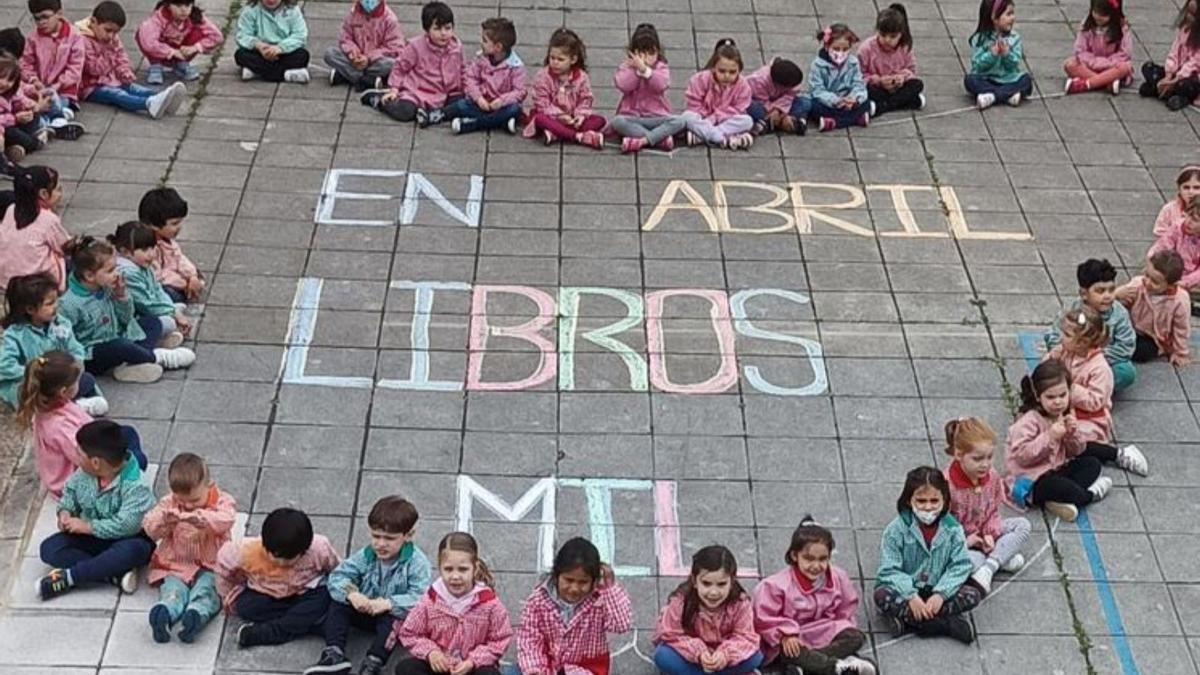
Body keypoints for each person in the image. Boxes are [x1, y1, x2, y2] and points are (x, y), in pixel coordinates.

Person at [1006, 357, 1146, 523]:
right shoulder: (1029, 421)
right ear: (1037, 396)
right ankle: (1088, 495)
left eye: (1063, 395)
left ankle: (1059, 500)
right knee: (1060, 487)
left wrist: (1073, 433)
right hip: (1031, 480)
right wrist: (1049, 436)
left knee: (1091, 464)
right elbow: (1023, 456)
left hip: (1056, 469)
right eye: (1050, 397)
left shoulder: (1063, 415)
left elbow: (1077, 451)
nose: (1058, 402)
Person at [306, 496, 432, 675]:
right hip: (365, 607)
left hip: (390, 614)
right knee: (337, 603)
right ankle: (333, 653)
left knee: (395, 622)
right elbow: (338, 575)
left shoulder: (417, 563)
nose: (380, 544)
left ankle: (374, 661)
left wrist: (389, 604)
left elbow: (421, 598)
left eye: (389, 538)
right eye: (376, 536)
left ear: (408, 536)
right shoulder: (367, 554)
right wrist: (352, 594)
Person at [36, 419, 155, 600]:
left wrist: (87, 527)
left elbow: (127, 526)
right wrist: (65, 512)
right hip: (93, 538)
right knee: (50, 549)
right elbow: (70, 492)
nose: (76, 456)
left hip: (127, 538)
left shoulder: (137, 486)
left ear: (96, 462)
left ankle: (70, 578)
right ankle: (112, 574)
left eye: (79, 453)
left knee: (133, 551)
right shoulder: (85, 473)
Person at [57, 236, 196, 383]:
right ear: (89, 275)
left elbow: (127, 318)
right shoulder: (69, 304)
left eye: (116, 267)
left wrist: (121, 296)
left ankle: (132, 363)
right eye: (110, 270)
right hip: (92, 353)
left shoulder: (107, 286)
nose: (117, 273)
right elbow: (65, 341)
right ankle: (157, 357)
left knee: (151, 322)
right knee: (119, 347)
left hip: (119, 335)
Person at [17, 351, 147, 499]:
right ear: (63, 391)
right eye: (76, 382)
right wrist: (116, 464)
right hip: (77, 483)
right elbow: (87, 461)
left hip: (84, 455)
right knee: (138, 460)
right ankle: (124, 488)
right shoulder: (60, 428)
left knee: (126, 433)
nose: (80, 382)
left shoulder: (50, 405)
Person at [753, 517, 875, 675]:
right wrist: (785, 635)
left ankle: (808, 668)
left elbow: (846, 610)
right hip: (793, 638)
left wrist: (842, 627)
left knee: (855, 637)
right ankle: (834, 667)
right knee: (790, 651)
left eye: (823, 559)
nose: (816, 566)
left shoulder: (838, 577)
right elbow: (764, 620)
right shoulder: (774, 586)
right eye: (809, 559)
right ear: (795, 555)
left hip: (824, 631)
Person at [874, 466, 980, 644]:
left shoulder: (953, 529)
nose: (928, 507)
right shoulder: (896, 529)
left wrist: (941, 595)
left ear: (944, 500)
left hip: (937, 587)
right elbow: (889, 570)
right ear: (909, 500)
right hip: (908, 590)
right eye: (921, 501)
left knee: (972, 595)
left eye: (934, 501)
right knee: (881, 595)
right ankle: (942, 624)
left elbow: (961, 566)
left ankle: (911, 621)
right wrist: (911, 596)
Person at [142, 452, 237, 643]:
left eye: (194, 500)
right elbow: (149, 526)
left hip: (211, 565)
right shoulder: (170, 502)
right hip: (176, 564)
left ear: (209, 485)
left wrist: (203, 519)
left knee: (207, 591)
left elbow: (227, 519)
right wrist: (164, 520)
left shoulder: (221, 500)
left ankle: (195, 615)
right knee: (173, 590)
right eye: (182, 500)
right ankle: (165, 612)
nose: (188, 505)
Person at [216, 507, 341, 647]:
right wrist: (228, 594)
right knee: (245, 606)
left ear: (303, 551)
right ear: (265, 544)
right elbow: (223, 564)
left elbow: (337, 570)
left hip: (305, 592)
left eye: (289, 559)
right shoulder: (246, 551)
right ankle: (310, 624)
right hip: (266, 594)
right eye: (275, 556)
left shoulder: (319, 548)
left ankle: (270, 632)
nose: (281, 563)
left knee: (325, 595)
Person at [393, 532, 512, 675]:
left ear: (475, 567)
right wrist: (431, 652)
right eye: (448, 569)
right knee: (406, 668)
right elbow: (410, 633)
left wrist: (473, 661)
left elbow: (500, 639)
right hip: (438, 665)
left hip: (471, 667)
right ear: (440, 567)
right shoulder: (430, 600)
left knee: (489, 674)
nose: (455, 576)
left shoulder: (490, 603)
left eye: (463, 569)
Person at [516, 537, 633, 675]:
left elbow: (621, 625)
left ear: (594, 581)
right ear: (556, 575)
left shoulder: (600, 602)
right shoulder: (538, 600)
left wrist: (609, 587)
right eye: (569, 580)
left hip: (585, 669)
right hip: (546, 665)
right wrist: (535, 670)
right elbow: (529, 638)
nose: (574, 588)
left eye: (583, 582)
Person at [941, 417, 1030, 594]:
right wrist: (966, 541)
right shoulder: (946, 485)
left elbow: (993, 511)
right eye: (977, 458)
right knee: (969, 562)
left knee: (1023, 525)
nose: (985, 464)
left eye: (989, 457)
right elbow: (942, 525)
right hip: (962, 542)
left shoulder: (992, 476)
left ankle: (990, 566)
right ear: (959, 454)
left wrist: (989, 533)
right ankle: (999, 557)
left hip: (986, 535)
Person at [1, 275, 104, 414]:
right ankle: (72, 408)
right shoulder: (15, 334)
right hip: (30, 384)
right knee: (28, 397)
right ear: (30, 309)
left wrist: (76, 364)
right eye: (49, 304)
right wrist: (34, 374)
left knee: (86, 380)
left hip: (57, 381)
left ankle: (69, 406)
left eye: (56, 301)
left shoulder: (61, 323)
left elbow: (75, 347)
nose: (56, 306)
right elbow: (4, 365)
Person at [653, 545, 763, 675]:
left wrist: (725, 654)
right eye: (706, 583)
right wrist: (698, 652)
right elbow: (670, 634)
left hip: (724, 658)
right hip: (692, 657)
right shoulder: (680, 601)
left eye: (721, 584)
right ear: (694, 581)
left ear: (732, 582)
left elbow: (745, 637)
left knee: (756, 657)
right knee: (663, 655)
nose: (713, 592)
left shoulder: (740, 603)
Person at [360, 1, 464, 127]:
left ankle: (431, 115)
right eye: (437, 29)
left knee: (461, 105)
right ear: (427, 30)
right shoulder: (416, 47)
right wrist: (394, 89)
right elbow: (400, 67)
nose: (443, 33)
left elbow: (462, 69)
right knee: (405, 113)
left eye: (448, 28)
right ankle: (378, 100)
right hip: (416, 91)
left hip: (445, 93)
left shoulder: (456, 48)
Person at [79, 1, 185, 117]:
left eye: (115, 32)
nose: (111, 36)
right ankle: (148, 104)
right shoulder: (82, 40)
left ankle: (163, 97)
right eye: (108, 30)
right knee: (118, 95)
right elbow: (94, 69)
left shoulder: (110, 38)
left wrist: (124, 71)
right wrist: (108, 51)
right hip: (91, 87)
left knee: (135, 88)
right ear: (94, 22)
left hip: (112, 78)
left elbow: (120, 55)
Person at [1045, 258, 1136, 391]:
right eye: (1100, 291)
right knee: (1049, 362)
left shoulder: (1119, 313)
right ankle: (1066, 390)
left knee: (1126, 372)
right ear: (1084, 294)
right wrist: (1068, 351)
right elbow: (1053, 335)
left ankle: (1093, 391)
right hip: (1070, 357)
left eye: (1111, 290)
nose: (1108, 296)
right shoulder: (1072, 308)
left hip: (1101, 362)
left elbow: (1126, 346)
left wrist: (1092, 357)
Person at [520, 27, 605, 148]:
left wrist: (579, 116)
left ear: (573, 60)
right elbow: (542, 103)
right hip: (551, 117)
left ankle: (557, 134)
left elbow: (586, 99)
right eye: (552, 58)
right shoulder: (543, 76)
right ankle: (578, 137)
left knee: (599, 120)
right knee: (539, 119)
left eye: (560, 59)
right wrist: (560, 116)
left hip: (572, 119)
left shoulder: (582, 77)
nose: (555, 62)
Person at [110, 220, 189, 344]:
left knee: (172, 303)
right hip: (131, 319)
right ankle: (159, 343)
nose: (152, 254)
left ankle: (169, 316)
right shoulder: (127, 272)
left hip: (143, 311)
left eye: (153, 247)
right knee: (168, 323)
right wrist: (173, 314)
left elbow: (157, 289)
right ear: (125, 251)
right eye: (145, 249)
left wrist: (172, 310)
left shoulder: (140, 264)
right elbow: (146, 304)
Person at [610, 23, 685, 151]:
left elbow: (661, 85)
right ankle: (659, 140)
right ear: (633, 52)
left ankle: (642, 140)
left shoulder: (661, 67)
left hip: (656, 116)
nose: (645, 57)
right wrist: (637, 71)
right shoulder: (627, 67)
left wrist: (646, 71)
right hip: (632, 116)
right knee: (618, 122)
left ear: (658, 52)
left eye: (651, 53)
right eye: (641, 53)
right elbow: (623, 85)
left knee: (680, 121)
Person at [21, 0, 86, 139]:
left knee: (53, 102)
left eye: (45, 17)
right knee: (38, 104)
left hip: (65, 90)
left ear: (59, 14)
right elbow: (25, 64)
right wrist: (33, 80)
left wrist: (57, 86)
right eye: (36, 18)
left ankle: (50, 122)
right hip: (38, 89)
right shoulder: (33, 38)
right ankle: (58, 121)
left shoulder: (74, 36)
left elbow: (75, 69)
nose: (41, 22)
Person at [448, 17, 524, 135]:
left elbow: (519, 92)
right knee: (462, 104)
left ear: (498, 47)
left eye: (485, 41)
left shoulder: (515, 66)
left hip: (501, 106)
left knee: (515, 109)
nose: (481, 43)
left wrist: (501, 101)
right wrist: (478, 98)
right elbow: (470, 78)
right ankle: (500, 122)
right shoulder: (481, 58)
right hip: (482, 103)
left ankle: (472, 124)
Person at [0, 166, 68, 291]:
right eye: (58, 189)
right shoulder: (48, 219)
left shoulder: (11, 209)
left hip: (6, 281)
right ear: (43, 194)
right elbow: (65, 246)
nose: (61, 194)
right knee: (75, 261)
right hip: (37, 286)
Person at [1118, 251, 1191, 367]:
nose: (1147, 282)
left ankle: (1118, 349)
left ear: (1170, 285)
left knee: (1142, 352)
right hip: (1131, 327)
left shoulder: (1180, 300)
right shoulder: (1138, 284)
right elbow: (1118, 302)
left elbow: (1181, 328)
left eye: (1155, 282)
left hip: (1155, 338)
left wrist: (1180, 353)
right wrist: (1116, 294)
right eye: (1146, 275)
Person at [682, 38, 753, 149]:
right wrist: (708, 118)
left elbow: (739, 109)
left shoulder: (744, 86)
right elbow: (694, 105)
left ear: (739, 70)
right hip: (704, 118)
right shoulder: (700, 79)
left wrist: (716, 117)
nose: (727, 76)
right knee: (687, 117)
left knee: (747, 121)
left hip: (726, 120)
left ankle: (704, 136)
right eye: (722, 71)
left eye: (732, 72)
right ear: (713, 67)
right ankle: (723, 138)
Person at [138, 186, 204, 304]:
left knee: (196, 274)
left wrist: (192, 276)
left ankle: (189, 287)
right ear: (154, 225)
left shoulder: (166, 240)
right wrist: (183, 282)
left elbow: (179, 258)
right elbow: (158, 276)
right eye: (174, 223)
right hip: (156, 282)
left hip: (169, 275)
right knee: (171, 294)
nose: (179, 227)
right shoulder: (148, 248)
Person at [859, 3, 925, 116]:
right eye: (883, 35)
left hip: (898, 87)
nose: (887, 40)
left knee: (917, 84)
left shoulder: (904, 47)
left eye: (892, 36)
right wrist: (878, 80)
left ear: (900, 34)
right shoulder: (866, 48)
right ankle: (908, 102)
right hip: (878, 87)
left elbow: (911, 69)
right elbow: (859, 75)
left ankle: (883, 106)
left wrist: (901, 77)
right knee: (867, 90)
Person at [965, 0, 1032, 109]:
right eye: (1008, 14)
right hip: (987, 78)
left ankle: (993, 96)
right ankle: (1007, 95)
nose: (1013, 18)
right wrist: (992, 55)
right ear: (994, 18)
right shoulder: (981, 38)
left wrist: (1006, 54)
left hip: (1009, 79)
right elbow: (977, 65)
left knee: (1026, 80)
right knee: (970, 80)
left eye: (1012, 14)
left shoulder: (1015, 38)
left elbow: (1014, 65)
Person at [136, 0, 222, 84]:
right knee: (144, 34)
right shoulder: (159, 18)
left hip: (182, 51)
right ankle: (156, 65)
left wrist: (195, 47)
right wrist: (171, 51)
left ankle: (180, 63)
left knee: (200, 31)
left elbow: (216, 36)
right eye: (178, 6)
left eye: (187, 5)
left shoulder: (195, 16)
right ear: (168, 5)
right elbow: (148, 42)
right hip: (161, 52)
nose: (184, 10)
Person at [325, 0, 404, 91]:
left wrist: (369, 58)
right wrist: (353, 54)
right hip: (355, 60)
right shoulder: (353, 15)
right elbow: (345, 38)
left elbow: (395, 47)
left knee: (392, 64)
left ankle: (347, 75)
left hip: (375, 61)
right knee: (330, 53)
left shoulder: (389, 19)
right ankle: (366, 80)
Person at [1139, 0, 1200, 110]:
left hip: (1190, 78)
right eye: (1188, 12)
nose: (1189, 17)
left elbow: (1194, 64)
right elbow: (1174, 52)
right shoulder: (1185, 29)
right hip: (1175, 73)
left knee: (1185, 86)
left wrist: (1176, 79)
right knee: (1147, 67)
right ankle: (1164, 89)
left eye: (1194, 15)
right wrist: (1168, 74)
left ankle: (1173, 94)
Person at [809, 24, 870, 131]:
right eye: (836, 49)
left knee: (867, 102)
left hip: (849, 103)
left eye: (845, 49)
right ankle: (855, 119)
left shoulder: (853, 63)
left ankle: (835, 122)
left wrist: (854, 99)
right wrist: (835, 101)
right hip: (829, 103)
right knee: (812, 106)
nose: (840, 53)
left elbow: (859, 85)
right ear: (827, 47)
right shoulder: (817, 65)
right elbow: (817, 90)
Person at [1064, 0, 1132, 95]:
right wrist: (1093, 62)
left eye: (1103, 15)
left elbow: (1125, 53)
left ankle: (1086, 84)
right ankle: (1107, 82)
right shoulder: (1087, 25)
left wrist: (1107, 63)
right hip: (1090, 65)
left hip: (1111, 66)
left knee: (1126, 67)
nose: (1098, 17)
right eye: (1095, 12)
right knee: (1070, 64)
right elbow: (1080, 50)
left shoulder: (1121, 28)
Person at [234, 0, 310, 83]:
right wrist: (258, 45)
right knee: (240, 54)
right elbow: (242, 35)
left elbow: (299, 35)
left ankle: (257, 72)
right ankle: (286, 74)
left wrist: (281, 48)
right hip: (260, 52)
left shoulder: (292, 10)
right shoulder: (250, 10)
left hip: (283, 53)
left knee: (303, 55)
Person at [0, 56, 48, 161]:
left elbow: (20, 99)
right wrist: (15, 118)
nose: (5, 83)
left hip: (12, 124)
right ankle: (34, 143)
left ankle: (16, 147)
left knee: (34, 115)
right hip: (5, 129)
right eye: (1, 77)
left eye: (10, 80)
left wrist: (30, 106)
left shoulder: (10, 92)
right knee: (11, 133)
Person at [745, 57, 808, 135]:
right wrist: (774, 111)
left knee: (804, 102)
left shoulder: (793, 83)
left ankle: (772, 123)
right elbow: (762, 101)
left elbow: (789, 98)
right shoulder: (759, 81)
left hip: (780, 104)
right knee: (751, 106)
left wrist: (779, 110)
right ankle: (785, 122)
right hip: (760, 103)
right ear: (780, 85)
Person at [1154, 165, 1200, 238]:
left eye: (1197, 188)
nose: (1191, 192)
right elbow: (1159, 231)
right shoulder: (1169, 209)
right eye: (1186, 187)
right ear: (1179, 189)